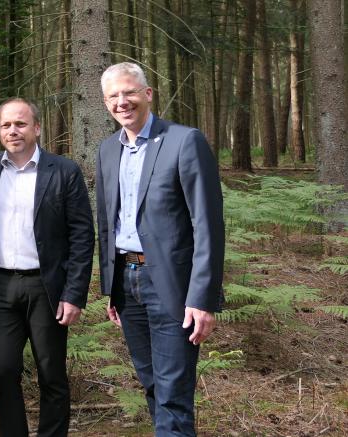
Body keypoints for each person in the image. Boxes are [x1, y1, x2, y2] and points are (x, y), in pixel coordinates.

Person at [95, 62, 225, 436]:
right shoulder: (107, 150)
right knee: (152, 383)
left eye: (129, 92)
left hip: (173, 285)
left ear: (148, 94)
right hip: (128, 283)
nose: (123, 102)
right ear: (106, 103)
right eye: (114, 96)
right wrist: (113, 288)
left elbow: (208, 226)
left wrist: (202, 297)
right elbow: (109, 225)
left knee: (173, 393)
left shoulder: (184, 141)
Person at [0, 98, 94, 437]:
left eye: (20, 124)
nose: (13, 131)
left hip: (47, 288)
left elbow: (82, 235)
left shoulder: (63, 171)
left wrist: (74, 293)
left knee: (51, 372)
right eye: (6, 125)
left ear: (36, 128)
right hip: (2, 287)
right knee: (2, 370)